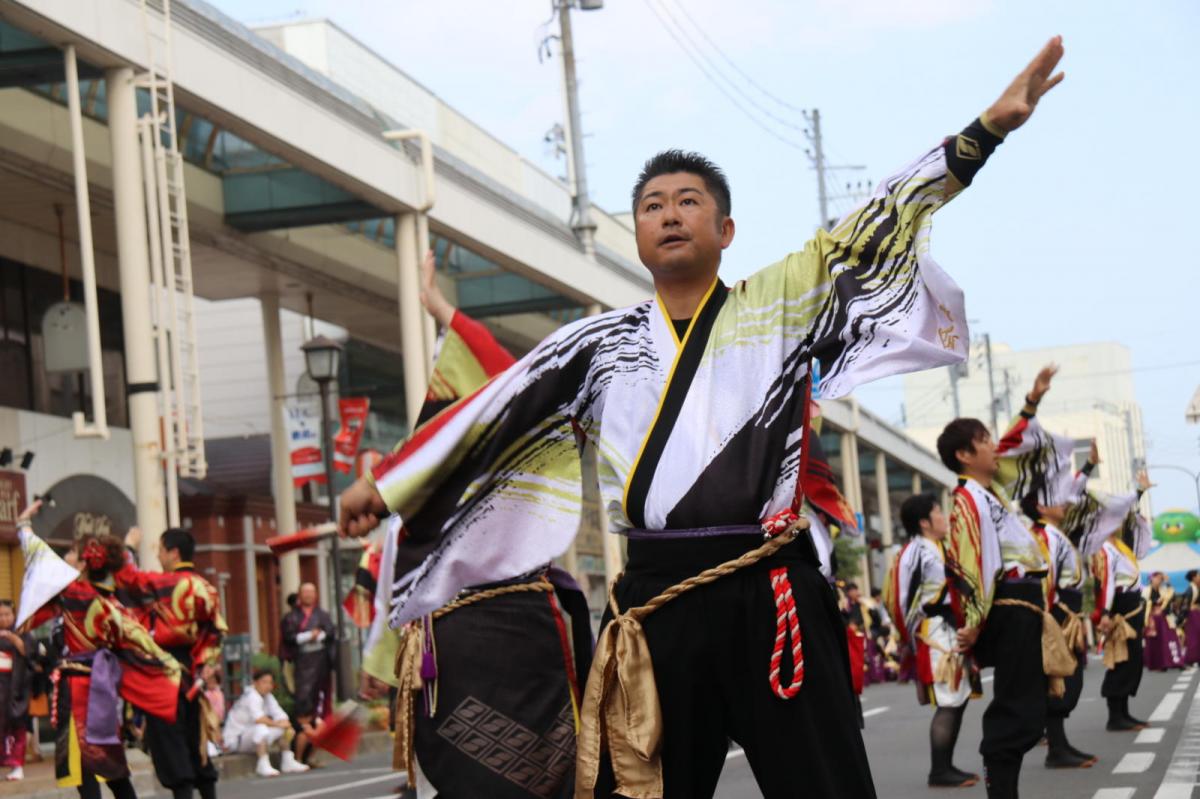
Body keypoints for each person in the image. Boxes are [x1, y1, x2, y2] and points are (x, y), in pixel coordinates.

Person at [340, 39, 1065, 799]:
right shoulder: (598, 345)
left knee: (827, 785)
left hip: (772, 589)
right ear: (639, 236)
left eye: (688, 201)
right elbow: (497, 407)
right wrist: (390, 487)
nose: (668, 214)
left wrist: (986, 130)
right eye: (651, 206)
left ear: (726, 230)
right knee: (643, 788)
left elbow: (879, 217)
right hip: (657, 603)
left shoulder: (782, 301)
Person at [356, 252, 594, 798]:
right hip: (460, 644)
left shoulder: (507, 475)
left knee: (543, 776)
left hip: (515, 634)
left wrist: (443, 310)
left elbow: (509, 379)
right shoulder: (412, 510)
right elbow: (393, 591)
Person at [941, 365, 1061, 798]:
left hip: (1022, 605)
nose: (995, 447)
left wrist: (1032, 400)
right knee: (1016, 712)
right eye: (984, 441)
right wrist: (973, 619)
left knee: (1030, 709)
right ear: (964, 455)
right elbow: (969, 563)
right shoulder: (965, 499)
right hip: (1008, 606)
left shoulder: (991, 494)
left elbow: (1013, 447)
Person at [19, 504, 182, 799]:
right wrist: (171, 667)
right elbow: (143, 643)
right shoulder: (116, 607)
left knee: (82, 763)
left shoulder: (72, 594)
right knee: (109, 758)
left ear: (85, 564)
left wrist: (24, 524)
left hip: (76, 686)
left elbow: (39, 556)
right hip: (104, 687)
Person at [118, 527, 226, 799]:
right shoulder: (206, 587)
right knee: (194, 737)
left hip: (163, 670)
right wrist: (204, 666)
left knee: (169, 739)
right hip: (193, 669)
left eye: (161, 549)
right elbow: (214, 632)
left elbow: (127, 576)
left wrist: (128, 547)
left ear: (174, 553)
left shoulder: (164, 583)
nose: (158, 554)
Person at [884, 493, 978, 788]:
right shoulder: (914, 551)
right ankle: (939, 770)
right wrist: (911, 638)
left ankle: (946, 765)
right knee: (949, 699)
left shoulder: (940, 547)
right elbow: (900, 600)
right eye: (939, 511)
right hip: (934, 633)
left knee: (958, 698)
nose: (944, 516)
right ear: (924, 522)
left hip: (951, 630)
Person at [1019, 464, 1097, 769]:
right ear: (1040, 506)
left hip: (1067, 614)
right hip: (1057, 615)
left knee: (1069, 679)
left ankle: (1060, 744)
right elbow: (1043, 581)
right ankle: (1056, 747)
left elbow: (1077, 495)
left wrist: (1088, 467)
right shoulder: (1042, 536)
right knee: (1060, 678)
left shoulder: (1054, 533)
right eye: (1055, 498)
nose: (1063, 502)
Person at [1085, 472, 1154, 732]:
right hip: (1120, 607)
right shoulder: (1104, 548)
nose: (1119, 520)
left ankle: (1124, 712)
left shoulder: (1119, 546)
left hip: (1131, 604)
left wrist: (1139, 493)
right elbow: (1107, 583)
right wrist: (1104, 612)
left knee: (1133, 659)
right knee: (1121, 659)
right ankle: (1115, 716)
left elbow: (1136, 531)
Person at [279, 582, 335, 765]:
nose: (309, 595)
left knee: (320, 708)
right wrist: (308, 636)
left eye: (312, 591)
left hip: (320, 663)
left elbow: (330, 633)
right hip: (302, 664)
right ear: (300, 595)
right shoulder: (291, 617)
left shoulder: (322, 615)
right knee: (303, 705)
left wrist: (318, 636)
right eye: (305, 592)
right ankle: (297, 756)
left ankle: (310, 755)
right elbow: (288, 637)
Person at [221, 669, 308, 777]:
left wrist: (285, 725)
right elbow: (258, 719)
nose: (268, 685)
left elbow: (281, 715)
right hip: (236, 741)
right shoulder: (250, 696)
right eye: (264, 682)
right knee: (261, 728)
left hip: (252, 738)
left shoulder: (268, 697)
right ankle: (262, 764)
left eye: (270, 682)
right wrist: (279, 724)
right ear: (255, 682)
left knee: (283, 729)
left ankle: (287, 761)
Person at [0, 599, 32, 781]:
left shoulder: (22, 633)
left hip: (15, 687)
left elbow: (30, 654)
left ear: (13, 615)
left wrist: (16, 641)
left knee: (16, 727)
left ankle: (17, 765)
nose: (4, 618)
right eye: (0, 615)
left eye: (7, 614)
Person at [1143, 572, 1185, 671]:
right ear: (1151, 579)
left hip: (1164, 618)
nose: (1159, 580)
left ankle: (1177, 662)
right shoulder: (1146, 590)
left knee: (1171, 638)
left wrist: (1168, 582)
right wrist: (1153, 602)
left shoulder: (1163, 590)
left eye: (1160, 579)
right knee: (1154, 642)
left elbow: (1172, 596)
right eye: (1156, 578)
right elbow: (1143, 603)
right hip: (1151, 619)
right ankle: (1158, 664)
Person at [1183, 570, 1200, 665]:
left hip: (1197, 614)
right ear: (1193, 578)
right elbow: (1185, 604)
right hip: (1192, 615)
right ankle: (1191, 658)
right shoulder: (1190, 589)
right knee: (1194, 636)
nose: (1199, 577)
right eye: (1198, 576)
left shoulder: (1196, 587)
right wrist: (1184, 618)